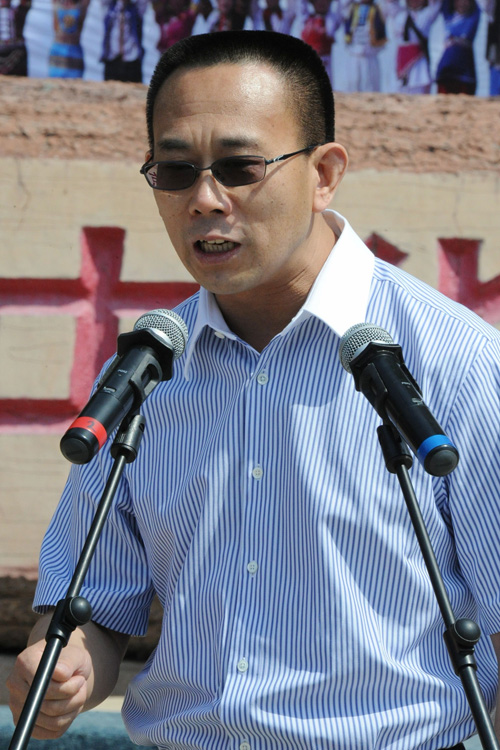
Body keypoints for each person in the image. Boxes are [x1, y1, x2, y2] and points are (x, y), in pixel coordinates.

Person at [7, 29, 500, 750]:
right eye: (176, 171)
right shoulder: (149, 368)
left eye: (241, 167)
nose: (205, 200)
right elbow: (91, 607)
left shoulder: (456, 362)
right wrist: (66, 666)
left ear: (324, 173)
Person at [384, 0, 441, 94]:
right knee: (397, 89)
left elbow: (436, 4)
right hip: (399, 60)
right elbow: (390, 3)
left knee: (418, 89)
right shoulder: (398, 14)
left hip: (418, 62)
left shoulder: (427, 14)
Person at [435, 0, 481, 95]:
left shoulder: (473, 18)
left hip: (466, 70)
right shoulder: (448, 17)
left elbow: (481, 5)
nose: (462, 3)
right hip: (446, 69)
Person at [344, 0, 387, 91]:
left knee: (371, 87)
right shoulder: (351, 8)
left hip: (371, 56)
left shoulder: (380, 8)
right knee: (353, 86)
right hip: (354, 55)